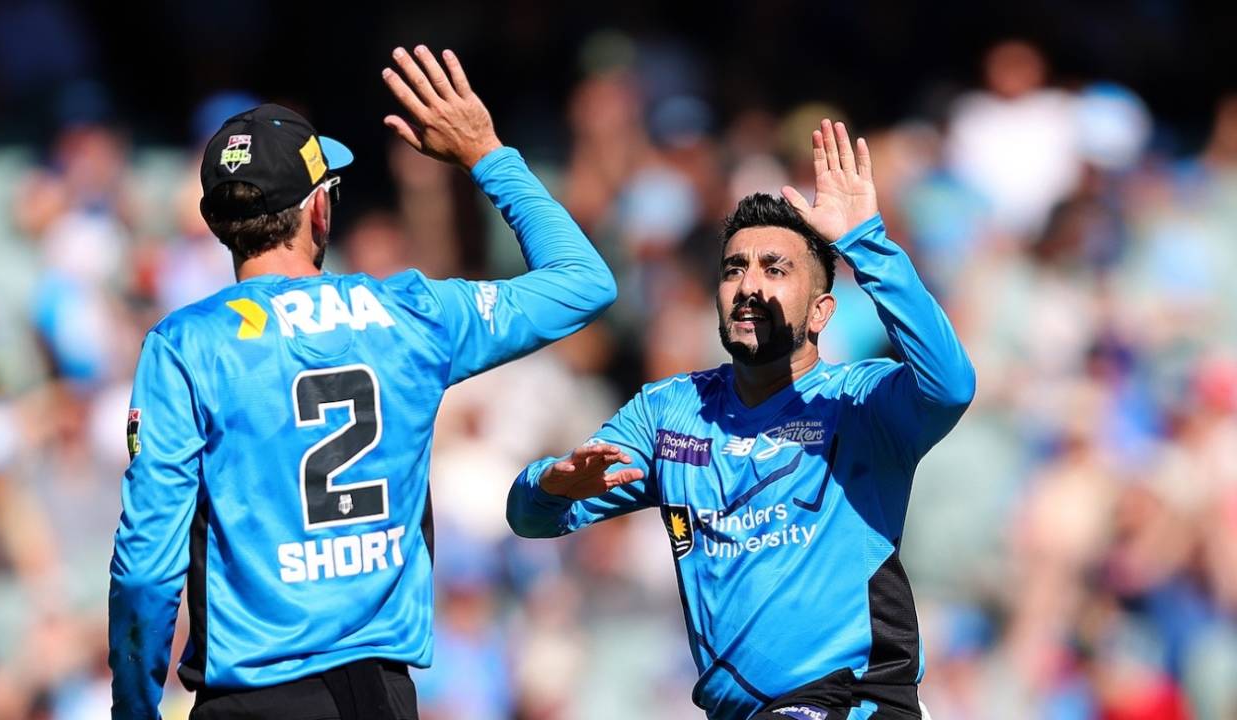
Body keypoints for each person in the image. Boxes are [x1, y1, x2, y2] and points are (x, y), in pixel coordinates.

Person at [108, 46, 616, 720]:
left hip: (250, 701)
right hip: (380, 695)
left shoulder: (185, 345)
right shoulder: (409, 314)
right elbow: (584, 283)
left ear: (217, 223)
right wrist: (486, 152)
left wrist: (134, 711)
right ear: (319, 210)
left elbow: (147, 566)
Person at [507, 119, 974, 720]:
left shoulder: (859, 402)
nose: (749, 286)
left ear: (821, 311)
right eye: (734, 269)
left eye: (775, 270)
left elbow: (951, 383)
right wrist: (549, 484)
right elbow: (531, 519)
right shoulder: (669, 412)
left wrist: (867, 242)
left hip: (853, 703)